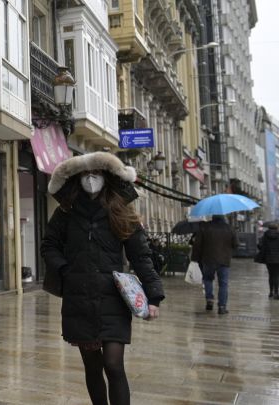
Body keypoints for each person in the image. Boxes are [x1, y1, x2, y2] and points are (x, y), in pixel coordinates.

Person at [40, 152, 165, 405]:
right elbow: (49, 245)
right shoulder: (66, 213)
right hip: (79, 299)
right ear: (77, 179)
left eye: (96, 173)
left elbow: (141, 256)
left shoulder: (121, 211)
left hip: (113, 299)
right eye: (85, 174)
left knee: (114, 364)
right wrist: (65, 269)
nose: (90, 179)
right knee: (93, 367)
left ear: (106, 177)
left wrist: (154, 296)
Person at [191, 215, 238, 314]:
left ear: (213, 217)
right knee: (223, 284)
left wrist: (194, 259)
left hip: (208, 259)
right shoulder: (229, 228)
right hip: (224, 260)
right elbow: (236, 244)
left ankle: (209, 300)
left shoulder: (204, 227)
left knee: (207, 279)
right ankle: (222, 306)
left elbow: (197, 244)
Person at [257, 222, 279, 299]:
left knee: (271, 275)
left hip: (268, 259)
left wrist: (263, 250)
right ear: (277, 228)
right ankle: (276, 293)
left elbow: (259, 245)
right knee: (276, 275)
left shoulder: (265, 236)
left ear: (269, 228)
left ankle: (270, 292)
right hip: (277, 259)